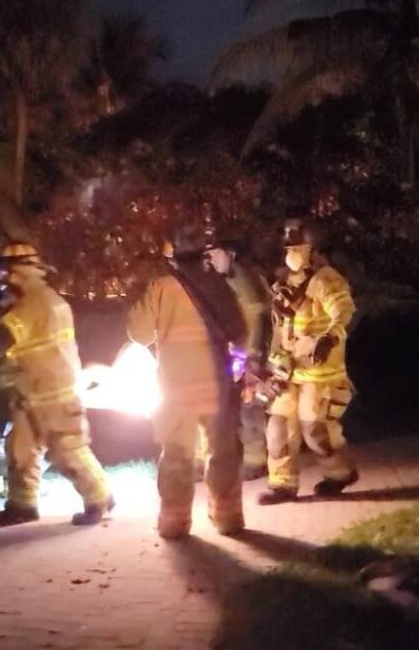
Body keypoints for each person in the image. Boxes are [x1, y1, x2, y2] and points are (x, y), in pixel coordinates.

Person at [127, 226, 247, 539]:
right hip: (217, 388)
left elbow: (138, 333)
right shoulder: (218, 285)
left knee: (177, 455)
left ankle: (175, 522)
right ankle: (228, 518)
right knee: (222, 452)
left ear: (174, 257)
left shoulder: (161, 287)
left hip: (176, 391)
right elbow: (240, 331)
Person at [0, 241, 114, 526]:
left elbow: (0, 341)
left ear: (17, 271)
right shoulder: (43, 298)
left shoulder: (33, 303)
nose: (2, 278)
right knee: (20, 451)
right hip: (31, 392)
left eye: (4, 271)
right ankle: (22, 505)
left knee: (67, 450)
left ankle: (99, 498)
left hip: (53, 395)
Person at [259, 219, 360, 504]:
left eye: (297, 247)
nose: (291, 253)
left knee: (316, 431)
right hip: (289, 372)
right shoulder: (284, 284)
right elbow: (280, 329)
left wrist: (329, 338)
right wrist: (272, 363)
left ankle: (340, 474)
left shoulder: (326, 280)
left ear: (314, 249)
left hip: (321, 375)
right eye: (288, 248)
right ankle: (282, 485)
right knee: (278, 427)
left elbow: (344, 311)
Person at [204, 232, 271, 481]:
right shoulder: (223, 280)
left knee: (250, 404)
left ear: (229, 253)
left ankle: (256, 460)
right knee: (241, 405)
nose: (209, 260)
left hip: (249, 352)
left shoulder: (241, 277)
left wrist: (254, 354)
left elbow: (258, 314)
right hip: (237, 351)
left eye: (213, 254)